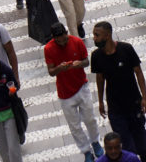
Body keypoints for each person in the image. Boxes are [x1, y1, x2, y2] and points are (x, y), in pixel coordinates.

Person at [44, 22, 104, 162]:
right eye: (59, 41)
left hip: (81, 86)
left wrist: (79, 63)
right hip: (65, 93)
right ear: (54, 38)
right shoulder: (48, 49)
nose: (63, 42)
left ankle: (95, 142)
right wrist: (60, 68)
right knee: (74, 126)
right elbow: (51, 72)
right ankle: (86, 151)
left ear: (66, 33)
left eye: (64, 39)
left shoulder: (76, 41)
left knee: (90, 118)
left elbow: (86, 62)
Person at [91, 22, 146, 162]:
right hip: (115, 108)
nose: (94, 38)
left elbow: (138, 72)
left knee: (140, 141)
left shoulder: (126, 49)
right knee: (125, 144)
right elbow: (100, 78)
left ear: (107, 35)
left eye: (97, 35)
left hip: (133, 103)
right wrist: (100, 101)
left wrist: (144, 97)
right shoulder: (96, 56)